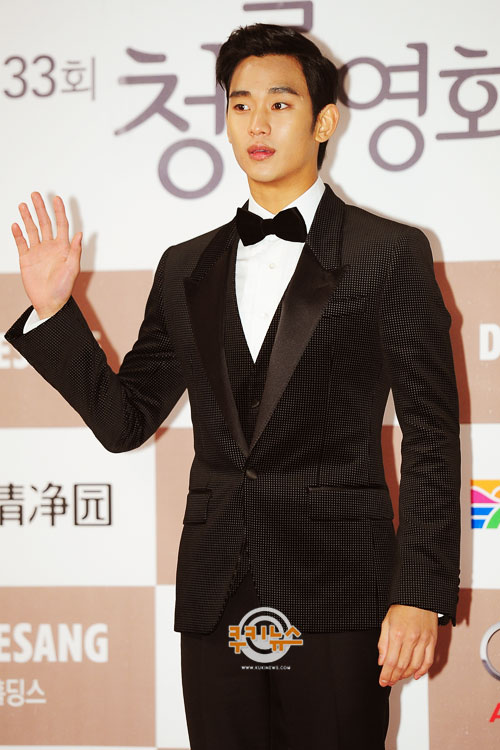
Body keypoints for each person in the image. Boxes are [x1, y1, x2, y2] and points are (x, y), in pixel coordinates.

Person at [5, 23, 460, 750]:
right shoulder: (186, 266)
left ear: (324, 122)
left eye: (280, 103)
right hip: (217, 589)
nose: (256, 123)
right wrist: (56, 315)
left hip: (340, 586)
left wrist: (419, 595)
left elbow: (431, 436)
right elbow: (126, 421)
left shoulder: (388, 253)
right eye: (240, 104)